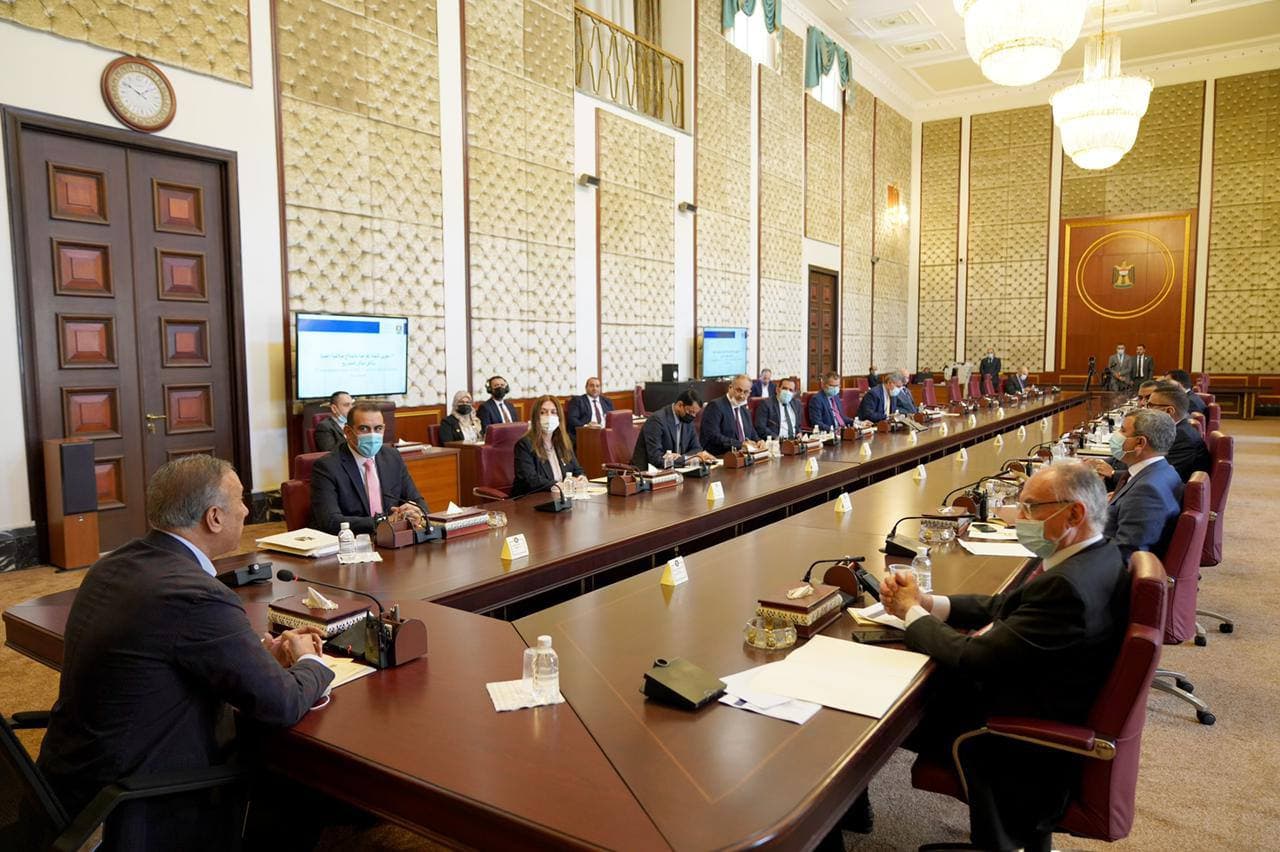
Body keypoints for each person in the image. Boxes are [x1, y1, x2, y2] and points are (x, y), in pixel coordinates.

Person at [37, 455, 334, 851]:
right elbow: (280, 703)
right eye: (240, 500)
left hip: (71, 783)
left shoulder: (113, 565)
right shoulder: (198, 594)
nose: (247, 510)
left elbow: (166, 653)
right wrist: (310, 660)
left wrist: (256, 656)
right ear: (214, 517)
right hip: (139, 804)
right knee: (299, 778)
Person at [878, 461, 1128, 852]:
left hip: (1013, 740)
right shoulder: (1099, 555)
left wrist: (909, 612)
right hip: (1049, 700)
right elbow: (1003, 606)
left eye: (1031, 508)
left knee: (869, 712)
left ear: (1074, 514)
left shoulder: (1067, 588)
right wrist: (927, 603)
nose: (1018, 518)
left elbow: (973, 658)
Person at [311, 402, 429, 534]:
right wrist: (383, 521)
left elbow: (418, 501)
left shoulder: (392, 457)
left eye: (378, 428)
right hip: (354, 540)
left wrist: (415, 512)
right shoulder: (327, 466)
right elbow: (330, 521)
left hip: (394, 537)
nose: (372, 435)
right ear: (348, 432)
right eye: (364, 429)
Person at [1099, 408, 1183, 561]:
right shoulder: (1163, 470)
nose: (1116, 434)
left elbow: (1127, 554)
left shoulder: (1147, 491)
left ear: (1140, 443)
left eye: (1123, 430)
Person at [513, 396, 587, 497]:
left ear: (559, 417)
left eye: (553, 412)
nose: (549, 416)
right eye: (543, 412)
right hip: (533, 500)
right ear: (535, 417)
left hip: (561, 498)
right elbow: (530, 479)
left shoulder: (563, 442)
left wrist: (581, 478)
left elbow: (577, 470)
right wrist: (555, 485)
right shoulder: (524, 444)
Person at [631, 388, 717, 469]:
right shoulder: (657, 421)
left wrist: (682, 458)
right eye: (690, 412)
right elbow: (656, 459)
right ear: (680, 405)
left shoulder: (687, 421)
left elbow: (697, 449)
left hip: (677, 470)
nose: (693, 416)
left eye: (695, 413)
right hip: (648, 473)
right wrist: (687, 459)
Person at [1149, 382, 1212, 482]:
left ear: (1169, 411)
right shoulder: (1177, 429)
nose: (1144, 409)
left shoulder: (1182, 438)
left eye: (1150, 405)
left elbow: (1158, 475)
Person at [700, 374, 763, 455]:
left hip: (743, 456)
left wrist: (759, 441)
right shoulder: (716, 406)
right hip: (721, 456)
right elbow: (713, 436)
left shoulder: (744, 409)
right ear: (730, 388)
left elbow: (752, 432)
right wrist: (740, 444)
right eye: (739, 390)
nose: (742, 395)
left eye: (746, 392)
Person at [565, 376, 614, 443]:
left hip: (605, 433)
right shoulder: (578, 400)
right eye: (592, 386)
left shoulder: (607, 401)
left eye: (597, 386)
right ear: (586, 387)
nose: (595, 388)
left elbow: (613, 418)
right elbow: (572, 419)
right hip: (587, 434)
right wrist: (586, 427)